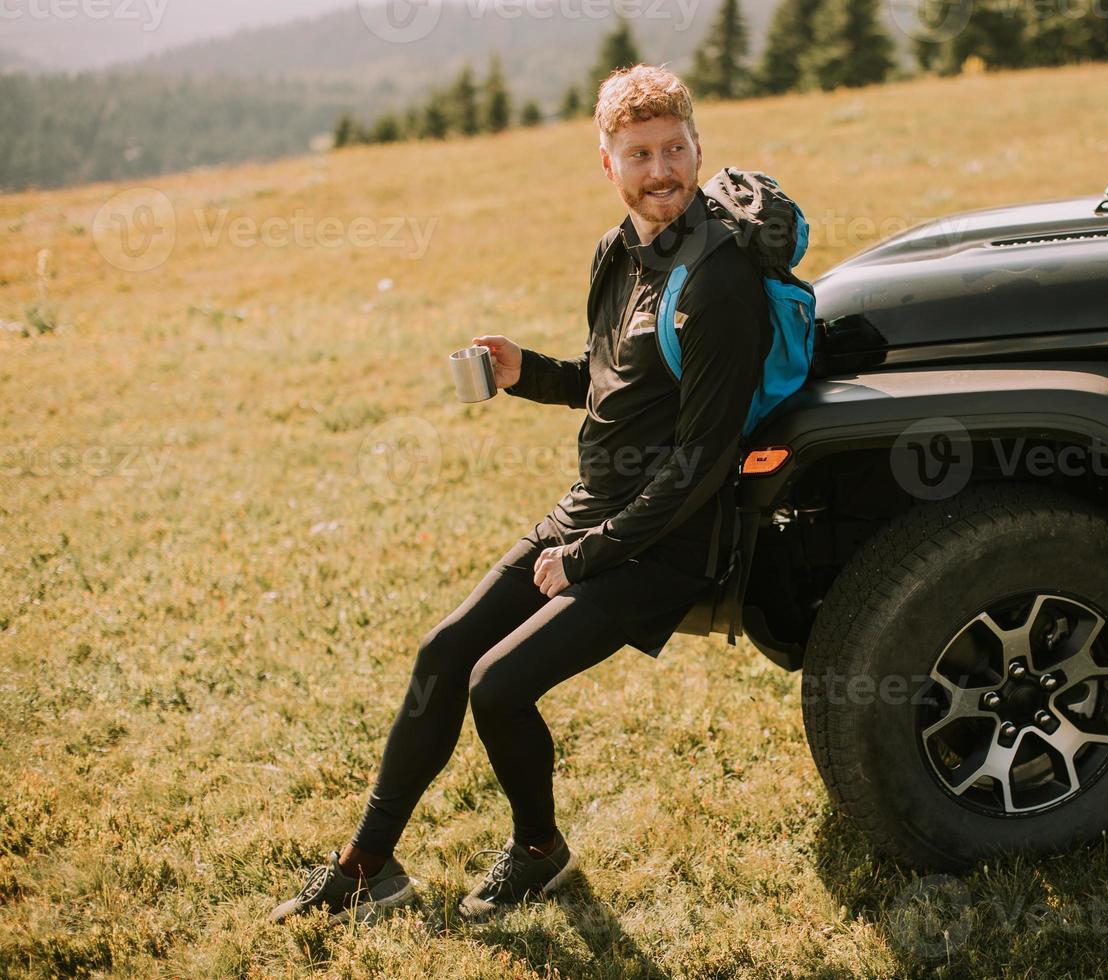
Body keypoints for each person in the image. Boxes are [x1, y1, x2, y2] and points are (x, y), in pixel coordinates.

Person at [269, 63, 773, 925]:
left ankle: (540, 851)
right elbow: (611, 382)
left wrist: (587, 556)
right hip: (591, 510)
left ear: (698, 150)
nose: (661, 171)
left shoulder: (721, 283)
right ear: (607, 164)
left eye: (675, 149)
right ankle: (365, 868)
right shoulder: (617, 253)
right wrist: (523, 372)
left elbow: (699, 461)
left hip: (669, 539)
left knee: (497, 686)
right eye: (640, 153)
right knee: (443, 655)